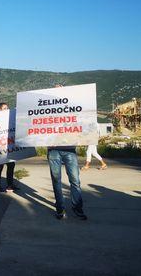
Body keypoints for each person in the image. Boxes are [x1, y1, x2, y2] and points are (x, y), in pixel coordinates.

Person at [47, 84, 87, 220]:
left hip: (70, 149)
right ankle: (60, 208)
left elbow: (81, 120)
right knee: (56, 180)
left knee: (75, 180)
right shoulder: (46, 108)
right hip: (53, 149)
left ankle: (77, 207)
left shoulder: (72, 107)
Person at [0, 102, 19, 192]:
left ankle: (10, 185)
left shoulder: (10, 116)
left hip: (9, 146)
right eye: (4, 108)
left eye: (7, 107)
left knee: (11, 166)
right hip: (0, 147)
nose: (7, 109)